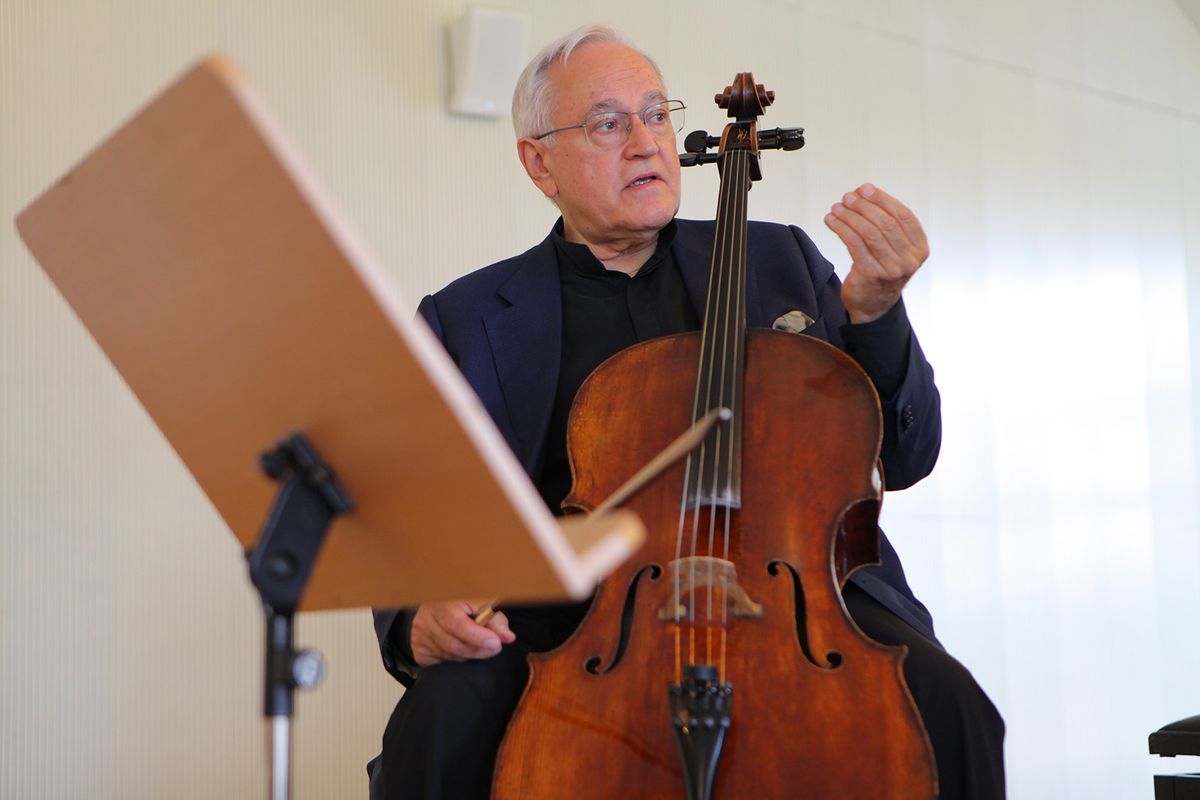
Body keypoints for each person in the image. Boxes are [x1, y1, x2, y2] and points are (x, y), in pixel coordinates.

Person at [368, 24, 1005, 800]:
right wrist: (414, 617)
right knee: (437, 720)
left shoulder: (780, 261)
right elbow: (412, 511)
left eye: (655, 115)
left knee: (951, 704)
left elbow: (903, 458)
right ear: (539, 162)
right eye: (608, 123)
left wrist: (876, 316)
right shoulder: (466, 317)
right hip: (571, 621)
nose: (645, 143)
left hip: (798, 594)